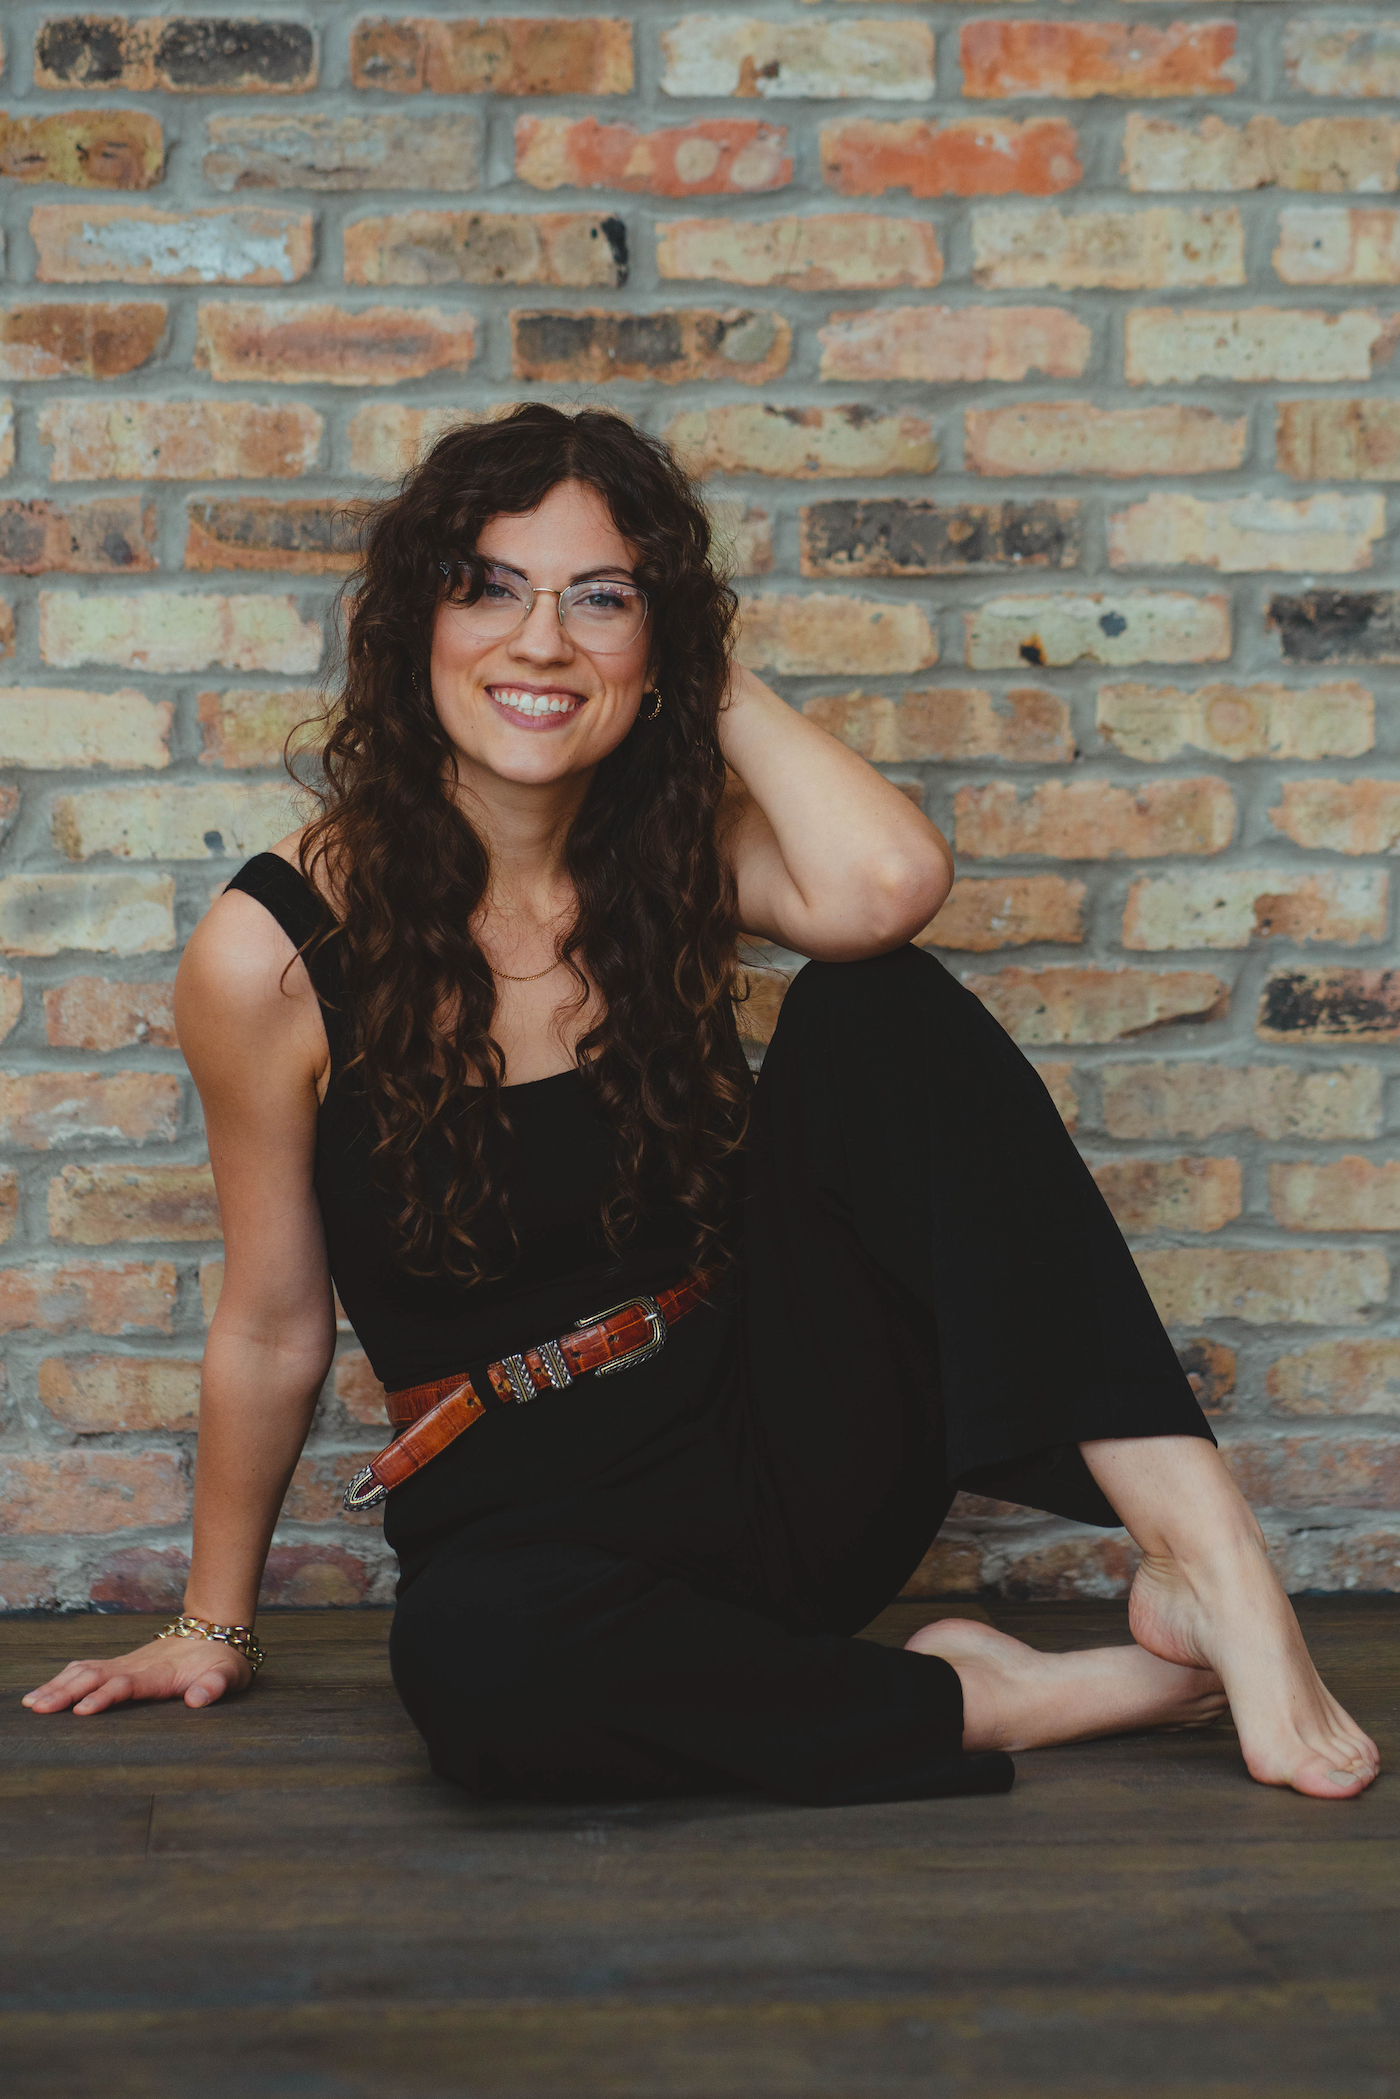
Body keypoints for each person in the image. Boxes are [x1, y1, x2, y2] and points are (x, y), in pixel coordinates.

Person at [23, 405, 1378, 1805]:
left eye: (601, 598)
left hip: (783, 1438)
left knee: (878, 1002)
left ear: (660, 638)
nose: (541, 641)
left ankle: (1213, 1567)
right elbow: (270, 1322)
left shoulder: (671, 853)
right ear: (414, 623)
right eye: (490, 587)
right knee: (477, 1667)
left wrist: (698, 654)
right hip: (528, 1518)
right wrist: (212, 1622)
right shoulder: (273, 954)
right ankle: (1006, 1698)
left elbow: (888, 886)